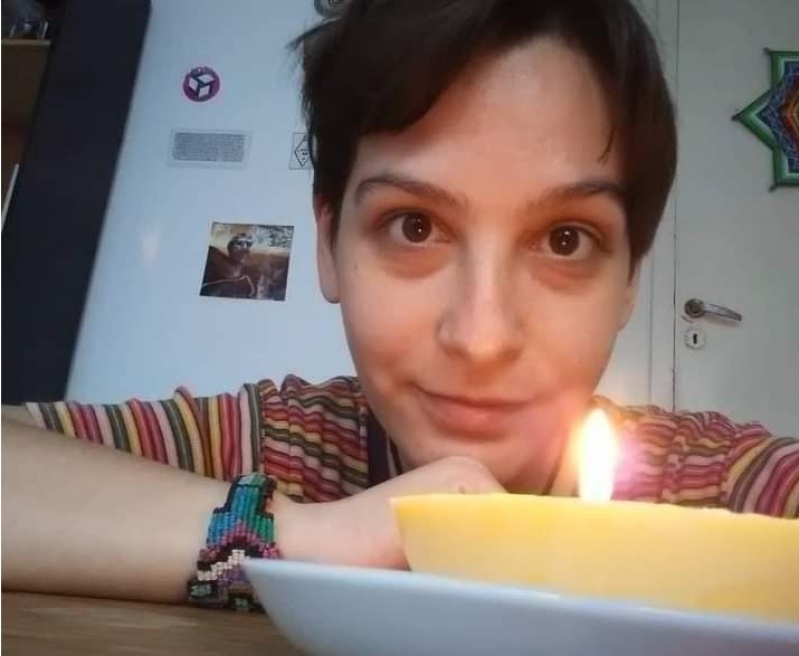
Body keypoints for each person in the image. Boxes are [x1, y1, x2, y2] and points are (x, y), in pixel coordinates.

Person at [3, 0, 798, 612]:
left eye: (564, 239)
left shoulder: (712, 491)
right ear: (328, 244)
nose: (481, 337)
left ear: (629, 277)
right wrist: (304, 537)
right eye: (414, 226)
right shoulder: (273, 452)